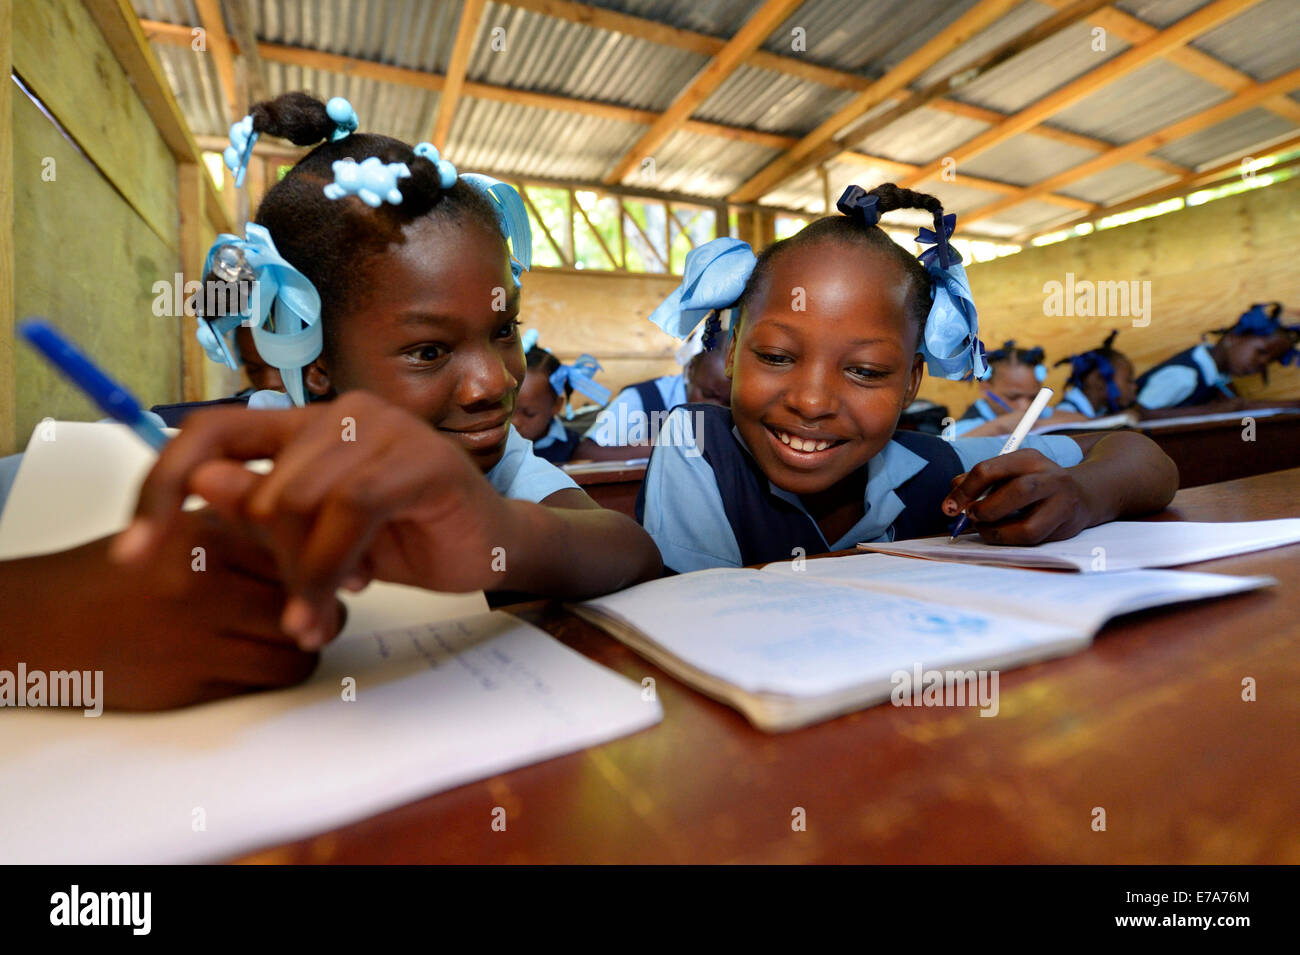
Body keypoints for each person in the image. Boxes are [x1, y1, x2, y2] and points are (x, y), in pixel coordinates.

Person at [113, 91, 660, 649]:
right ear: (315, 358)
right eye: (429, 352)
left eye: (503, 330)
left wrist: (503, 535)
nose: (494, 383)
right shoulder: (221, 458)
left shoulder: (493, 460)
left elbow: (631, 551)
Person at [636, 184, 1178, 573]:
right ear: (731, 354)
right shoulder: (699, 450)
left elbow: (1143, 457)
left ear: (912, 383)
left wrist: (1084, 493)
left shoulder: (934, 467)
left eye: (865, 371)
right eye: (777, 357)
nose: (811, 400)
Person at [1136, 303, 1300, 410]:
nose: (1263, 363)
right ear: (1231, 339)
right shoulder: (1184, 375)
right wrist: (1209, 411)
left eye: (1269, 362)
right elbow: (1138, 416)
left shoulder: (1218, 376)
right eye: (1262, 352)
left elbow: (1241, 407)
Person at [1053, 330, 1138, 419]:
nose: (1134, 387)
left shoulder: (1099, 411)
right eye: (1129, 380)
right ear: (1098, 380)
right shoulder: (1065, 413)